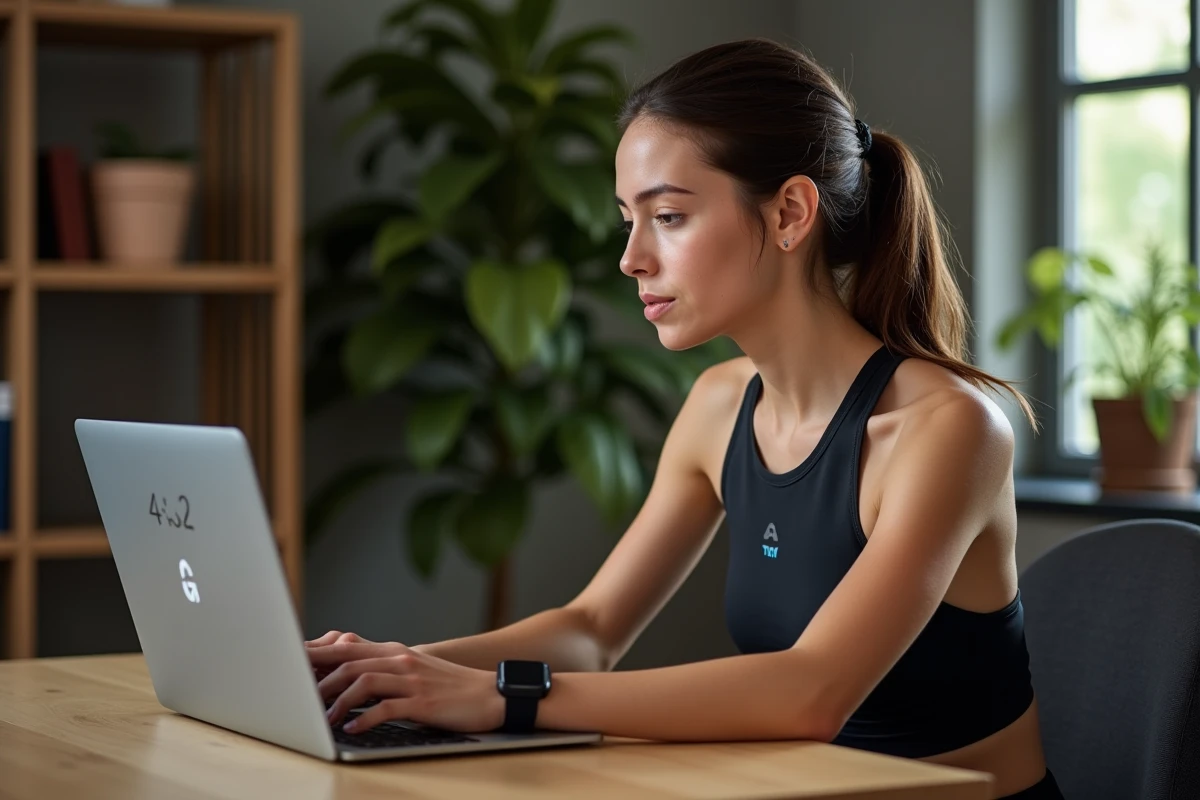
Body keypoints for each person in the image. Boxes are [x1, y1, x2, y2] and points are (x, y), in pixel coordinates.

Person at [306, 38, 1065, 800]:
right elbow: (592, 629)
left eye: (668, 215)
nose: (632, 257)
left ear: (790, 213)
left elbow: (812, 691)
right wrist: (388, 670)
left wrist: (508, 695)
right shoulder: (719, 404)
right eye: (627, 220)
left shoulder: (949, 429)